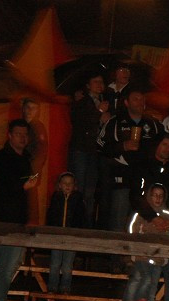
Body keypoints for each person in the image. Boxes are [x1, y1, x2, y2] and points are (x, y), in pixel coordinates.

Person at [98, 84, 165, 235]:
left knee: (139, 223)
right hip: (122, 178)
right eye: (135, 99)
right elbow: (101, 146)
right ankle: (116, 256)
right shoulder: (115, 122)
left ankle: (134, 256)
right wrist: (123, 146)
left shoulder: (152, 124)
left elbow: (165, 146)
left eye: (142, 99)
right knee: (118, 221)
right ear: (127, 102)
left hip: (145, 181)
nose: (140, 102)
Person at [0, 119, 38, 301]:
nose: (23, 138)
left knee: (12, 263)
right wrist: (22, 186)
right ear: (10, 135)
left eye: (25, 134)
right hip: (6, 219)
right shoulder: (0, 160)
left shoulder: (25, 158)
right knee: (7, 264)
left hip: (20, 219)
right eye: (18, 134)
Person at [120, 183, 169, 301]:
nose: (158, 199)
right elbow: (132, 230)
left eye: (161, 196)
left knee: (153, 283)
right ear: (149, 196)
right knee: (141, 278)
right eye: (155, 195)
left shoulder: (168, 215)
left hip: (158, 258)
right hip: (142, 255)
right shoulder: (142, 213)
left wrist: (164, 249)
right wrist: (136, 249)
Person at [69, 73, 111, 224]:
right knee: (79, 187)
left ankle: (87, 222)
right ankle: (75, 220)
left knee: (90, 191)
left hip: (95, 151)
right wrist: (98, 113)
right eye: (96, 81)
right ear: (88, 85)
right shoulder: (81, 101)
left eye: (101, 81)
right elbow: (79, 121)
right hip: (82, 149)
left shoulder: (105, 101)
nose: (99, 85)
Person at [46, 172, 85, 294]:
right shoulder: (56, 197)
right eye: (64, 183)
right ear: (59, 185)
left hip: (71, 236)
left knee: (68, 265)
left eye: (70, 183)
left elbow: (81, 217)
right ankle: (52, 287)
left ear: (74, 185)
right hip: (57, 236)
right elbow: (51, 215)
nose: (67, 185)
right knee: (55, 263)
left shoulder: (78, 199)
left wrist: (78, 233)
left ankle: (65, 287)